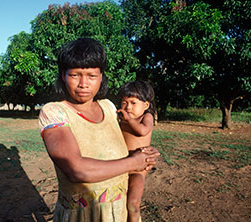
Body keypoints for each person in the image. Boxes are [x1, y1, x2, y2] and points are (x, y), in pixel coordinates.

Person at [38, 38, 160, 222]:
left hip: (118, 212)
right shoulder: (54, 112)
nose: (83, 83)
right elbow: (76, 169)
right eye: (75, 75)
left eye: (92, 76)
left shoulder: (109, 107)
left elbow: (122, 146)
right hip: (80, 216)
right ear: (63, 75)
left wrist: (145, 154)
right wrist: (134, 163)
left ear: (101, 77)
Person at [117, 81, 156, 222]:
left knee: (133, 204)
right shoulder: (120, 120)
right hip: (121, 166)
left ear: (145, 105)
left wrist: (129, 120)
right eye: (124, 103)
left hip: (138, 171)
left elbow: (142, 131)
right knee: (118, 202)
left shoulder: (146, 117)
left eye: (133, 103)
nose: (128, 107)